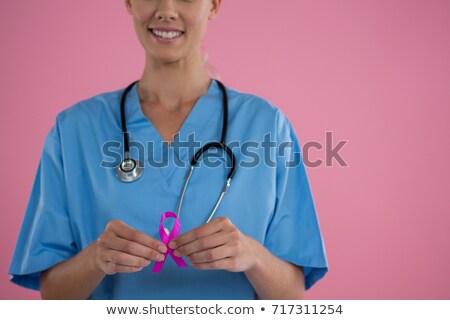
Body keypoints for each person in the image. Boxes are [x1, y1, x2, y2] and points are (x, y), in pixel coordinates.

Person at [9, 0, 328, 299]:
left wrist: (252, 256)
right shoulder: (74, 130)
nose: (166, 10)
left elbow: (292, 297)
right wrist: (95, 259)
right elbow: (52, 295)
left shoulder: (266, 125)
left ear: (214, 5)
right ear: (129, 2)